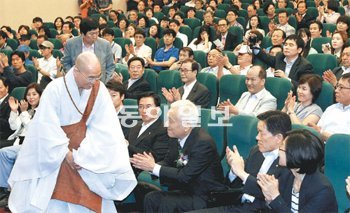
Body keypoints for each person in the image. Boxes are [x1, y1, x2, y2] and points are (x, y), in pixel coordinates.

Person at [7, 52, 137, 212]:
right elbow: (46, 126)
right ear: (76, 71)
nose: (94, 81)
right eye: (90, 77)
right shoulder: (55, 88)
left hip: (86, 153)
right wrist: (65, 152)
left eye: (98, 76)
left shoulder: (100, 89)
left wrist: (86, 152)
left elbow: (105, 126)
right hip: (55, 153)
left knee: (89, 199)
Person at [131, 100, 226, 212]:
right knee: (151, 198)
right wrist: (150, 165)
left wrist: (153, 167)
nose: (166, 124)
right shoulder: (174, 136)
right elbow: (167, 162)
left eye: (171, 121)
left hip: (206, 196)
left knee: (165, 204)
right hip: (186, 189)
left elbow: (184, 176)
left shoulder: (203, 143)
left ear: (186, 125)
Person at [198, 110, 292, 212]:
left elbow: (267, 193)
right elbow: (237, 186)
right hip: (236, 203)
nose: (257, 137)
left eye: (261, 133)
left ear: (278, 138)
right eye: (257, 132)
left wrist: (241, 173)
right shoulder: (256, 151)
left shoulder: (288, 162)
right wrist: (234, 171)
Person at [257, 129, 338, 212]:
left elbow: (279, 204)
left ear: (295, 155)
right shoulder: (286, 173)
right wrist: (269, 199)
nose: (278, 151)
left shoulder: (322, 189)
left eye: (282, 147)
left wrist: (275, 197)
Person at [62, 18, 114, 83]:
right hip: (77, 82)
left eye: (97, 33)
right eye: (92, 34)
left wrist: (105, 83)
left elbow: (110, 66)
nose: (95, 36)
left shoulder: (105, 44)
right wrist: (73, 77)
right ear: (82, 34)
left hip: (99, 82)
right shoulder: (71, 43)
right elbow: (66, 63)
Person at [128, 92, 176, 163]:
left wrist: (127, 146)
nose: (144, 110)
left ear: (157, 110)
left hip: (142, 169)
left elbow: (154, 156)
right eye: (141, 107)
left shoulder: (163, 130)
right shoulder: (136, 125)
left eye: (148, 107)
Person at [309, 73, 350, 141]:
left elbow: (345, 143)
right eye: (337, 86)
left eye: (341, 87)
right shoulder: (331, 108)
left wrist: (321, 133)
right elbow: (317, 131)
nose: (336, 90)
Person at [0, 77, 14, 142]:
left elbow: (9, 125)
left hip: (4, 135)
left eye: (0, 88)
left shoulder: (12, 103)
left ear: (7, 88)